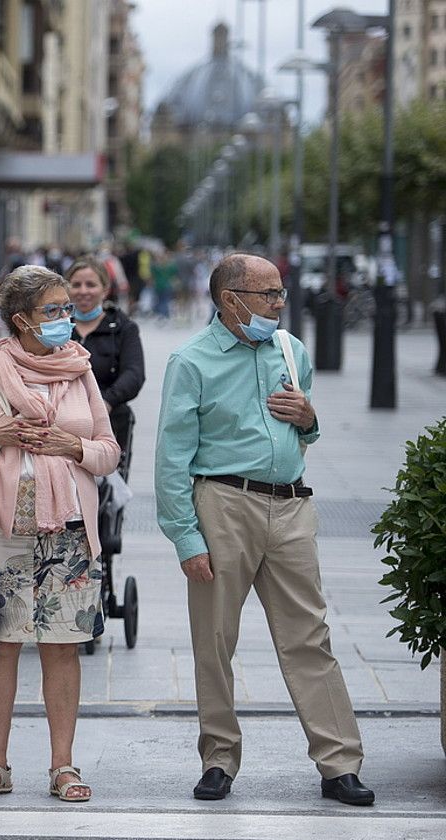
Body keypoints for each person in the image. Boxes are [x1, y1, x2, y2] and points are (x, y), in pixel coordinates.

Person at [154, 254, 373, 806]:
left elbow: (306, 433)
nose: (280, 303)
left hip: (292, 507)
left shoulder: (289, 350)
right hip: (223, 507)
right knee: (215, 641)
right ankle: (219, 759)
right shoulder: (192, 361)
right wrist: (186, 536)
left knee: (310, 637)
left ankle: (339, 763)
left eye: (280, 292)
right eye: (269, 294)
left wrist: (310, 417)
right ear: (231, 300)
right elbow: (171, 458)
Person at [0, 265, 120, 805]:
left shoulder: (80, 372)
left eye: (67, 308)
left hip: (70, 533)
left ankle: (63, 766)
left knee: (62, 647)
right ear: (22, 320)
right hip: (0, 531)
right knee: (0, 645)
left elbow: (109, 451)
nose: (67, 318)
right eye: (53, 311)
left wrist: (72, 447)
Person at [68, 257, 144, 472]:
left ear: (105, 289)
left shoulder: (123, 328)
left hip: (111, 422)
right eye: (76, 284)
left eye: (91, 284)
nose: (83, 291)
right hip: (63, 424)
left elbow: (134, 373)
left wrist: (105, 403)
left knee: (107, 498)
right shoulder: (58, 327)